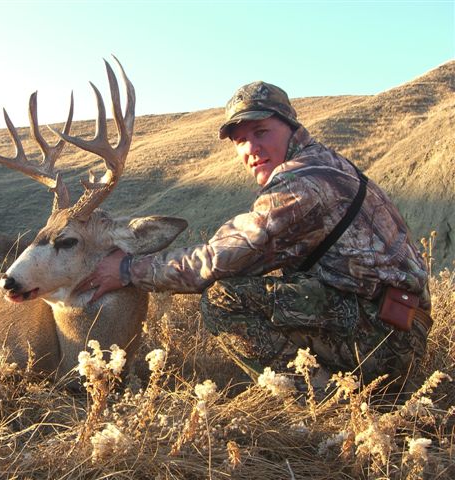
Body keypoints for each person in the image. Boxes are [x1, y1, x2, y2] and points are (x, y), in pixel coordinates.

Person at [77, 81, 432, 387]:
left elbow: (217, 259)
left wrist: (126, 270)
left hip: (385, 340)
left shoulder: (301, 185)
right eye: (240, 140)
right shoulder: (325, 163)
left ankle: (324, 397)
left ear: (291, 127)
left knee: (222, 300)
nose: (250, 149)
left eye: (261, 132)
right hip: (395, 322)